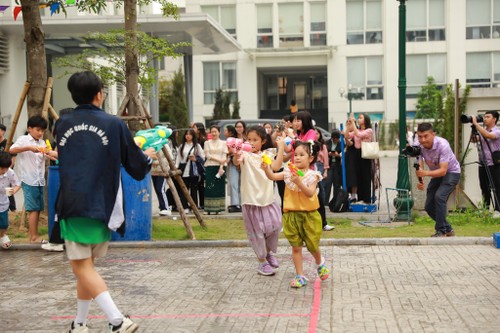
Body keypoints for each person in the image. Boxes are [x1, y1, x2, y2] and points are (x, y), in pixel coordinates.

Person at [55, 71, 154, 332]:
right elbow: (136, 164)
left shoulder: (62, 123)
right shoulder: (114, 123)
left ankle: (117, 320)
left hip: (74, 202)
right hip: (104, 204)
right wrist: (148, 157)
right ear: (100, 94)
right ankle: (79, 324)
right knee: (86, 267)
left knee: (82, 267)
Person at [262, 140, 330, 287]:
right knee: (296, 247)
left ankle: (320, 262)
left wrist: (299, 182)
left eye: (301, 155)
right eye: (295, 155)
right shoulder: (288, 172)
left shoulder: (313, 175)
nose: (297, 157)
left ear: (310, 158)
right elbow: (272, 177)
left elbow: (310, 193)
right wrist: (266, 168)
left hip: (310, 216)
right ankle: (300, 275)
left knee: (312, 245)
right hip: (291, 215)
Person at [233, 125, 285, 276]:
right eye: (249, 139)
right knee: (257, 233)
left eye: (255, 139)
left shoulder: (266, 155)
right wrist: (237, 153)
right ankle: (262, 262)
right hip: (251, 201)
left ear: (263, 141)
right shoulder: (245, 155)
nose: (251, 142)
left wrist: (280, 147)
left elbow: (275, 166)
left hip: (268, 200)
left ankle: (268, 253)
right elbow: (237, 161)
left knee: (275, 227)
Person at [10, 115, 58, 244]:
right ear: (29, 128)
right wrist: (29, 148)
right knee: (33, 209)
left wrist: (51, 155)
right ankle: (33, 236)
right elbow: (11, 149)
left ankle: (34, 235)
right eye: (38, 130)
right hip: (28, 179)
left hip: (39, 179)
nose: (40, 133)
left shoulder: (42, 142)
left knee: (38, 208)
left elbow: (49, 155)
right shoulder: (24, 139)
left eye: (42, 130)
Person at [414, 122, 460, 237]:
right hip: (435, 174)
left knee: (439, 196)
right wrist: (420, 180)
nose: (423, 140)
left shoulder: (443, 145)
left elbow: (443, 170)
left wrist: (425, 173)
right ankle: (448, 228)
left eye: (426, 136)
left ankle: (440, 231)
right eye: (420, 136)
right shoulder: (417, 145)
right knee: (429, 206)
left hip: (451, 172)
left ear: (433, 134)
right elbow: (419, 164)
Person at [471, 111, 500, 217]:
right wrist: (473, 128)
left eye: (488, 117)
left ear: (494, 119)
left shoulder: (497, 131)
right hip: (483, 163)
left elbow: (488, 135)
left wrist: (476, 124)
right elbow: (473, 140)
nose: (485, 119)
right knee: (484, 187)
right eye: (484, 117)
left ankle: (498, 210)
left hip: (494, 164)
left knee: (497, 187)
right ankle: (486, 209)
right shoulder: (482, 131)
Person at [343, 113, 373, 203]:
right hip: (357, 154)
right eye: (358, 118)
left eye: (360, 118)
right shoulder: (357, 129)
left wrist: (353, 123)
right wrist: (349, 125)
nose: (358, 119)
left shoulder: (369, 130)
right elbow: (347, 136)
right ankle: (360, 198)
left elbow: (359, 135)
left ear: (365, 120)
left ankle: (367, 199)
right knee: (358, 177)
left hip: (365, 154)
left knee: (366, 177)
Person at [176, 128, 205, 213]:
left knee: (194, 189)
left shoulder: (197, 146)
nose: (188, 136)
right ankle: (185, 206)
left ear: (193, 136)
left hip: (194, 170)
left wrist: (195, 159)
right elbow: (178, 158)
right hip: (184, 169)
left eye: (190, 134)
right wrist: (176, 167)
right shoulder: (182, 146)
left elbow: (203, 157)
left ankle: (194, 207)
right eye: (186, 134)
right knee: (183, 189)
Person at [203, 125, 228, 214]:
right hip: (210, 166)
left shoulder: (224, 143)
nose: (213, 133)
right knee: (210, 186)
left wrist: (221, 166)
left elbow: (224, 155)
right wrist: (219, 160)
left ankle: (219, 208)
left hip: (221, 167)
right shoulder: (207, 143)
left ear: (219, 132)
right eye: (212, 132)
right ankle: (208, 208)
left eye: (215, 131)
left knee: (219, 186)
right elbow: (208, 155)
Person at [150, 127, 174, 217]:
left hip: (162, 170)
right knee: (157, 189)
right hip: (153, 171)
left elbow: (169, 157)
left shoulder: (164, 144)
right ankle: (162, 206)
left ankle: (166, 208)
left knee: (160, 189)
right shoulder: (150, 144)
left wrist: (158, 162)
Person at [0, 152, 21, 250]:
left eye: (4, 168)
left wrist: (13, 191)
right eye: (1, 168)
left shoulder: (10, 173)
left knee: (3, 224)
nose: (2, 170)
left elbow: (17, 184)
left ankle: (2, 236)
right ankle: (3, 237)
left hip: (3, 203)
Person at [315, 128, 334, 231]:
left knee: (321, 192)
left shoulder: (323, 146)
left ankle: (323, 223)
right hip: (312, 167)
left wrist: (326, 170)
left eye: (317, 133)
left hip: (320, 166)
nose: (315, 135)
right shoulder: (309, 144)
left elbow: (326, 158)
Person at [227, 121, 247, 213]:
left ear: (244, 127)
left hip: (244, 164)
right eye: (237, 127)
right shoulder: (231, 139)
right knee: (233, 184)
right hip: (233, 163)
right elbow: (228, 151)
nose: (239, 128)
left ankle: (243, 203)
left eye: (240, 126)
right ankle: (235, 204)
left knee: (243, 185)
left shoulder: (247, 139)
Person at [0, 123, 17, 212]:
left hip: (6, 170)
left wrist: (7, 169)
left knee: (8, 190)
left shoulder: (8, 143)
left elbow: (13, 157)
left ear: (3, 131)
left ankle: (13, 209)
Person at [325, 130, 342, 206]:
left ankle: (335, 202)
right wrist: (328, 154)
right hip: (329, 165)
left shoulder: (341, 144)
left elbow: (343, 154)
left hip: (338, 165)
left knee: (337, 184)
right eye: (334, 138)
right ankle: (325, 203)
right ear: (332, 138)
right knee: (328, 183)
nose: (336, 140)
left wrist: (337, 155)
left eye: (337, 139)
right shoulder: (327, 143)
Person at [192, 122, 207, 209]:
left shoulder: (203, 140)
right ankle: (196, 203)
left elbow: (203, 154)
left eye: (194, 128)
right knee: (195, 184)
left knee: (201, 184)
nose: (192, 129)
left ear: (199, 129)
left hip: (200, 164)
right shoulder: (194, 139)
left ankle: (202, 203)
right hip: (194, 163)